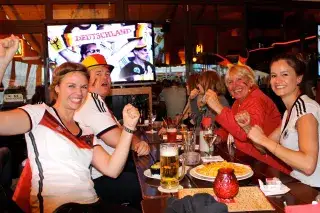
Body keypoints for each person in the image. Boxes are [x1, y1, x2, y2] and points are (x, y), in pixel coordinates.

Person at [0, 35, 141, 213]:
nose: (79, 92)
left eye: (83, 87)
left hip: (92, 204)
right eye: (71, 86)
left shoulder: (85, 130)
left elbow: (112, 169)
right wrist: (2, 63)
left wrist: (128, 128)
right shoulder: (40, 114)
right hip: (60, 208)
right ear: (57, 87)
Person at [76, 53, 150, 208]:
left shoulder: (97, 101)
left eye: (107, 74)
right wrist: (138, 143)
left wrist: (136, 141)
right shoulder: (91, 100)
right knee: (150, 184)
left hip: (108, 169)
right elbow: (115, 138)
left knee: (148, 170)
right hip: (98, 179)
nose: (105, 78)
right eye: (98, 73)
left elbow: (120, 130)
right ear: (85, 79)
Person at [235, 53, 320, 187]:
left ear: (298, 78)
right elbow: (263, 148)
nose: (277, 80)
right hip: (298, 185)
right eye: (274, 75)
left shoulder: (305, 111)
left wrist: (263, 139)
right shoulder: (289, 112)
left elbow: (308, 165)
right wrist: (248, 128)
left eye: (284, 74)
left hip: (313, 192)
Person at [204, 64, 292, 174]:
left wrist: (218, 107)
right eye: (230, 82)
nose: (234, 85)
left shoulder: (257, 100)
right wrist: (218, 136)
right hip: (249, 160)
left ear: (250, 81)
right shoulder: (238, 102)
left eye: (239, 79)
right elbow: (231, 126)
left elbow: (245, 133)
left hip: (269, 167)